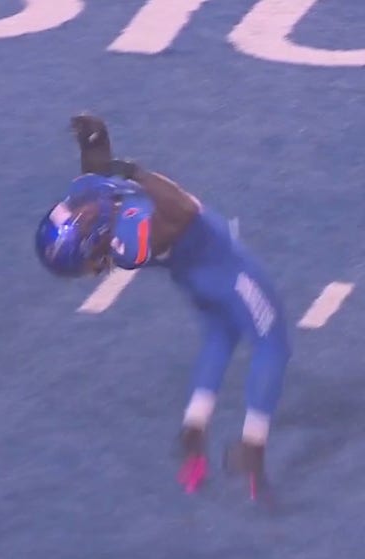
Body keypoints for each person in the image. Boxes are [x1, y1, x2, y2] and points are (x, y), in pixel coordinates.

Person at [34, 114, 292, 502]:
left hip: (192, 277)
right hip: (226, 271)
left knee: (219, 336)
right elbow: (185, 210)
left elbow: (96, 182)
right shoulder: (130, 242)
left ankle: (194, 427)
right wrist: (134, 171)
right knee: (272, 343)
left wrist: (94, 144)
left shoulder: (95, 217)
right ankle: (251, 448)